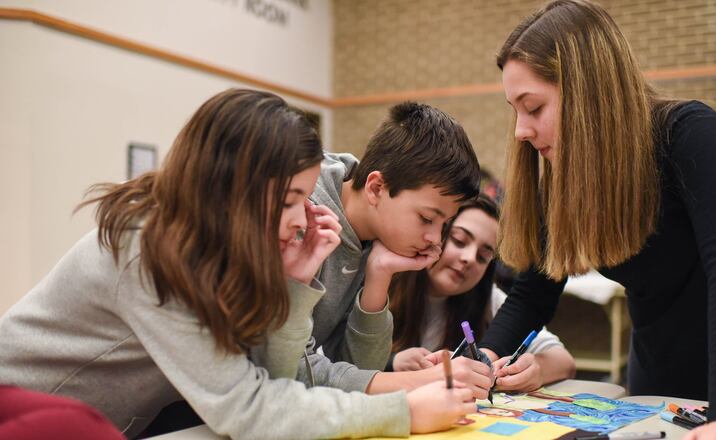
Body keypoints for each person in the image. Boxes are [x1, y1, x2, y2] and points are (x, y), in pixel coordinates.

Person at [0, 89, 475, 439]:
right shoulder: (148, 248)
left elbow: (267, 377)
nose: (304, 220)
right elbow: (248, 405)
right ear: (235, 186)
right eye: (292, 200)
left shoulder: (238, 240)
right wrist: (403, 412)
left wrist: (294, 285)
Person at [477, 2, 716, 440]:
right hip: (655, 367)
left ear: (587, 93)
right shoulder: (565, 183)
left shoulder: (691, 135)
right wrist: (484, 358)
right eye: (516, 111)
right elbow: (532, 294)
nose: (520, 132)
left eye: (533, 108)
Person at [297, 102, 494, 399]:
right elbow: (290, 371)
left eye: (444, 224)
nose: (434, 240)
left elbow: (356, 369)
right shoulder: (301, 215)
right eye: (427, 218)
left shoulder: (377, 233)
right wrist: (425, 380)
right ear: (376, 188)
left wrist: (379, 275)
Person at [386, 195, 575, 392]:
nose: (469, 258)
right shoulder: (381, 281)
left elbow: (565, 362)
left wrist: (538, 370)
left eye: (483, 256)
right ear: (435, 232)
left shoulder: (489, 299)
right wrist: (392, 362)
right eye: (459, 241)